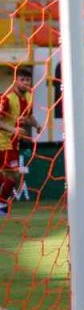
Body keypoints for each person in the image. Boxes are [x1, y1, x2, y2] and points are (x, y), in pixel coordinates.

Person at [0, 67, 36, 218]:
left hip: (13, 142)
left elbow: (29, 116)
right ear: (16, 81)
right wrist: (13, 130)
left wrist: (37, 125)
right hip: (2, 141)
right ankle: (2, 205)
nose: (25, 82)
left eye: (27, 80)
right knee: (12, 175)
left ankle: (1, 204)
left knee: (8, 175)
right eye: (22, 80)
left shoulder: (29, 96)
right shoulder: (7, 98)